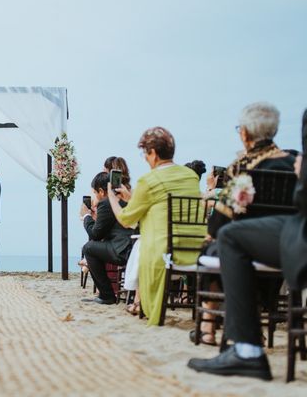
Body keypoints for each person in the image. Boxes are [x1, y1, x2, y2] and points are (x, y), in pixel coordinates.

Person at [188, 109, 307, 380]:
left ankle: (211, 326)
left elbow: (218, 223)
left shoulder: (242, 168)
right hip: (286, 252)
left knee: (213, 246)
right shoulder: (293, 162)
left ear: (244, 134)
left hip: (254, 250)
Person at [108, 127, 202, 325]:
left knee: (141, 246)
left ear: (153, 153)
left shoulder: (148, 180)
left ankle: (140, 302)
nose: (145, 158)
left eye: (145, 154)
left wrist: (111, 197)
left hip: (164, 250)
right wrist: (131, 197)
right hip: (195, 248)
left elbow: (126, 219)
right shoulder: (191, 176)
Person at [79, 172, 134, 304]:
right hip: (134, 247)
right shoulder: (125, 198)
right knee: (93, 247)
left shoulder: (106, 203)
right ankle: (107, 294)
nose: (95, 196)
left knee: (88, 248)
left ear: (102, 191)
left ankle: (106, 295)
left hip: (122, 250)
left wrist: (86, 216)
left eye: (95, 192)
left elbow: (96, 234)